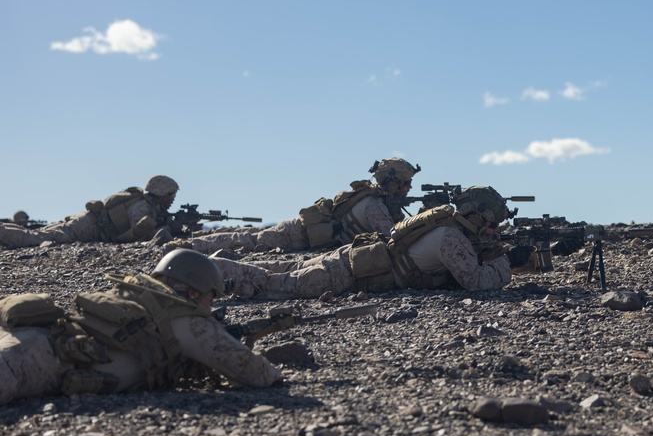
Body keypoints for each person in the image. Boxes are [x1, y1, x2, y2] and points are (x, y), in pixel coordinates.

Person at [0, 249, 281, 405]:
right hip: (42, 360)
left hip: (32, 337)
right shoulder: (186, 318)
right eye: (210, 299)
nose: (210, 308)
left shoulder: (139, 294)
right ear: (195, 292)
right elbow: (253, 372)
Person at [211, 186, 534, 300]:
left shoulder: (449, 229)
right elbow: (477, 283)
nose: (494, 231)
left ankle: (212, 265)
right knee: (272, 284)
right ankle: (203, 273)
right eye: (492, 224)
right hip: (344, 273)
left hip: (349, 260)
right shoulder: (450, 237)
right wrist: (506, 262)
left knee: (279, 269)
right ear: (477, 217)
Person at [176, 158, 421, 255]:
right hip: (299, 234)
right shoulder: (374, 204)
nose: (409, 188)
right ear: (392, 182)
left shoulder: (380, 201)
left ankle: (198, 240)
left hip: (306, 234)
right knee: (251, 240)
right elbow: (394, 237)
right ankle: (192, 244)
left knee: (251, 236)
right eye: (406, 183)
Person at [0, 175, 181, 250]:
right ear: (162, 193)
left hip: (88, 223)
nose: (172, 200)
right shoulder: (143, 206)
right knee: (37, 239)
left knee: (38, 234)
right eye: (170, 195)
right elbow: (139, 233)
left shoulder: (145, 203)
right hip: (88, 226)